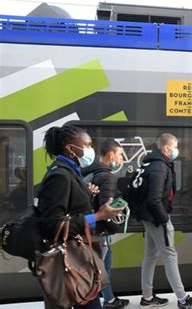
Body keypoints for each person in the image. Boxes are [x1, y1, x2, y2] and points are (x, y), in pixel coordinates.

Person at [36, 125, 123, 309]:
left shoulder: (70, 172)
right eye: (87, 144)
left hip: (77, 261)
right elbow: (52, 224)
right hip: (68, 263)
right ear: (71, 148)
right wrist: (98, 215)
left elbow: (68, 206)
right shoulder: (60, 175)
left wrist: (87, 196)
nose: (91, 149)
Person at [136, 133, 192, 309]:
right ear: (166, 148)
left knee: (150, 255)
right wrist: (164, 220)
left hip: (147, 217)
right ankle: (183, 299)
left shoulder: (149, 163)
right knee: (170, 256)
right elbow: (154, 199)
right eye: (175, 147)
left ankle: (147, 297)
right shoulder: (160, 167)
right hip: (156, 217)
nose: (177, 151)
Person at [82, 139, 129, 309]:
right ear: (111, 154)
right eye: (120, 155)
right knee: (101, 269)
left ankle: (109, 299)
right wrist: (114, 225)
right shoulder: (107, 177)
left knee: (103, 266)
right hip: (100, 232)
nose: (121, 159)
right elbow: (105, 210)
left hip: (88, 228)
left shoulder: (89, 172)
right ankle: (98, 302)